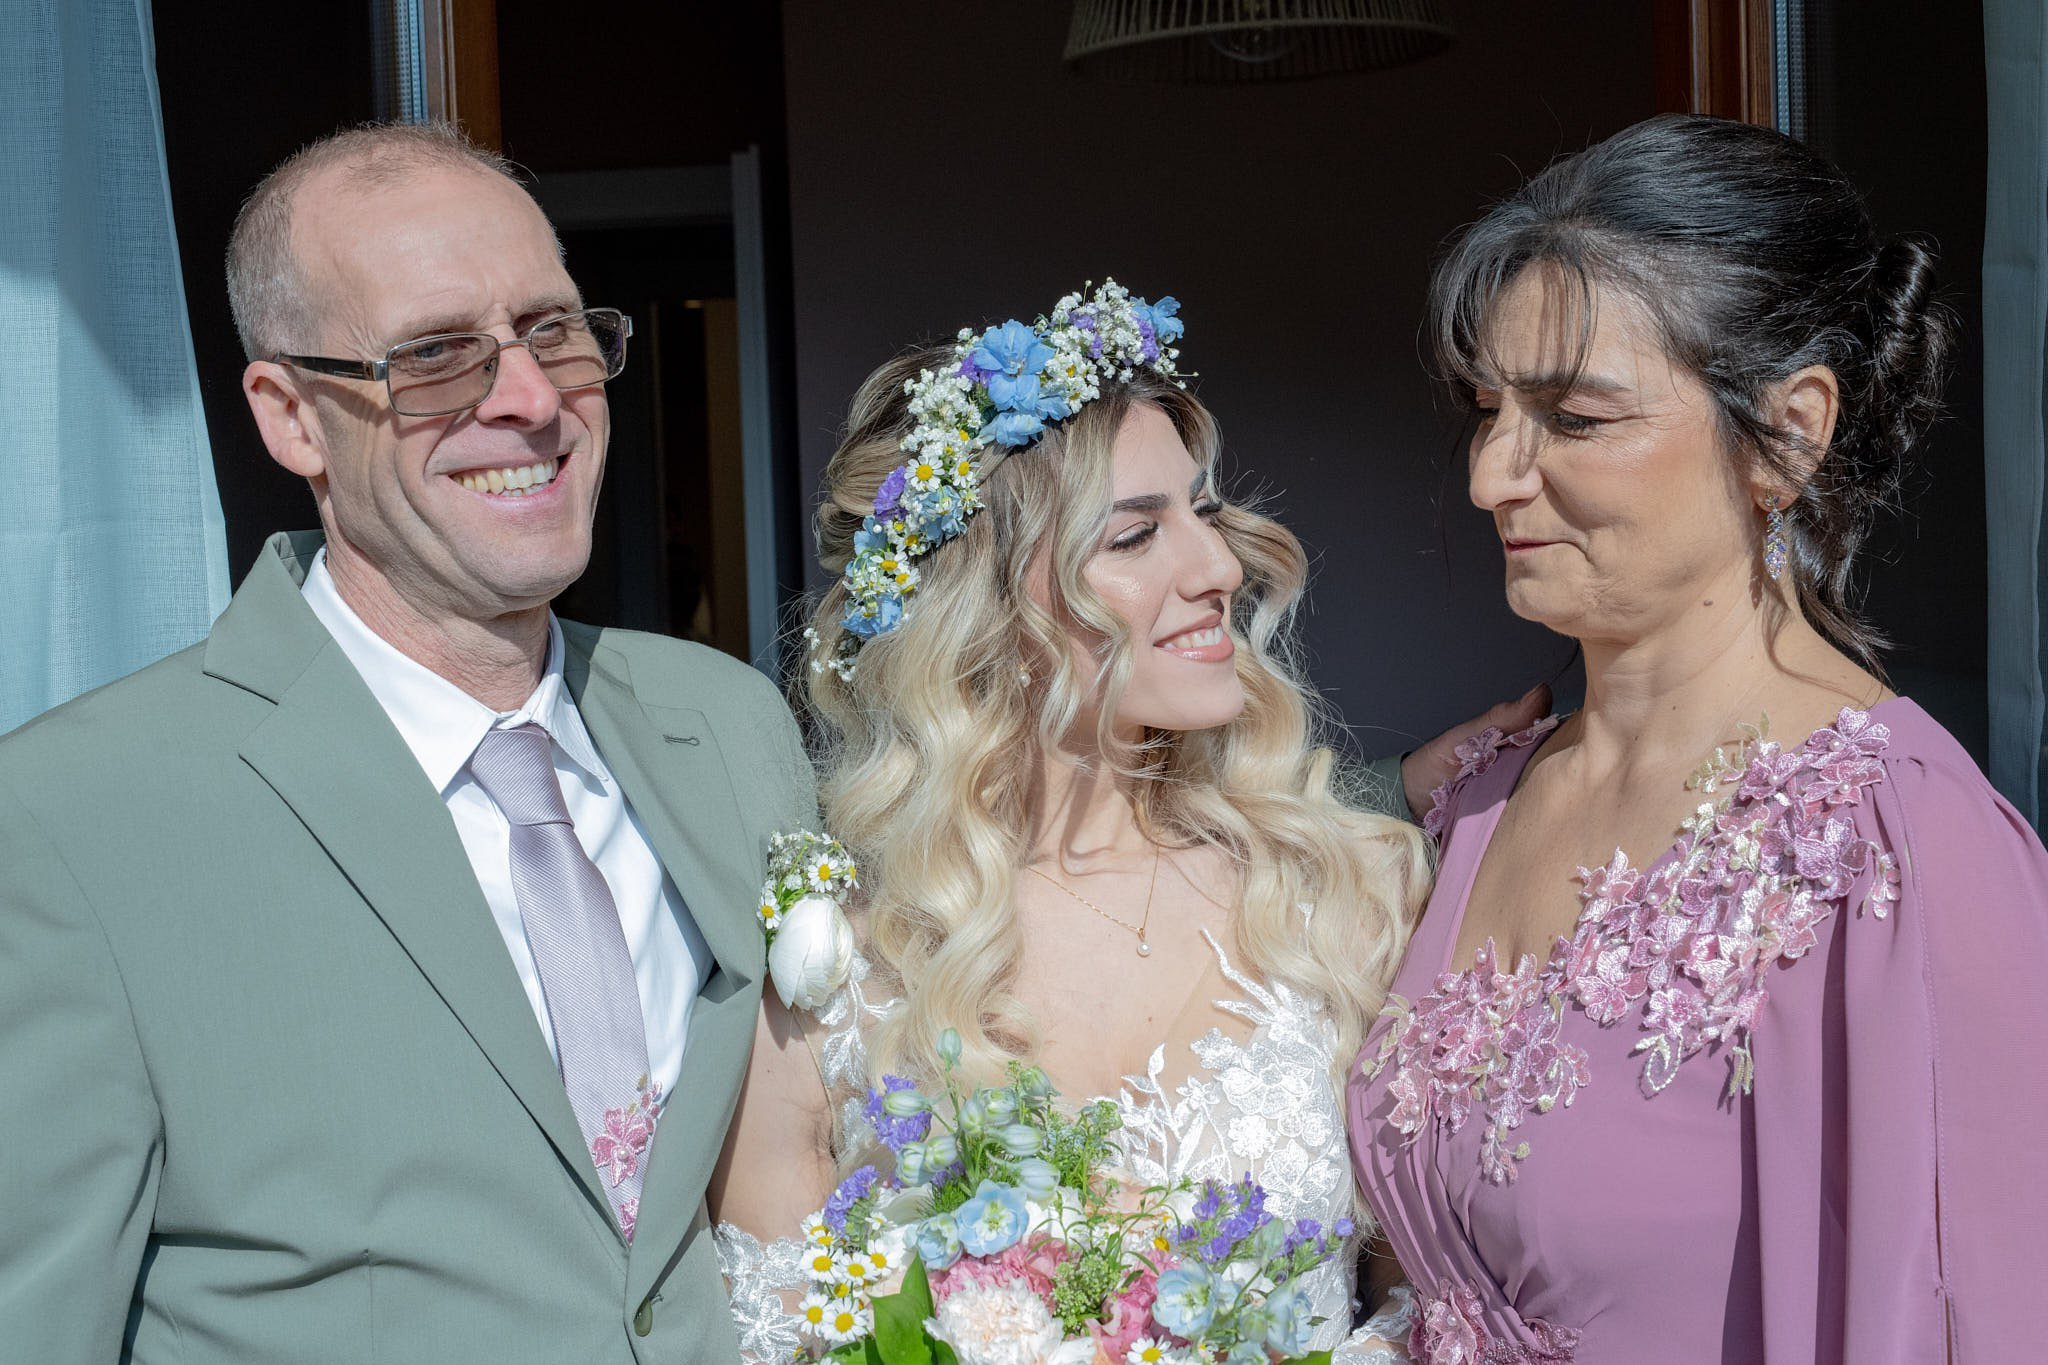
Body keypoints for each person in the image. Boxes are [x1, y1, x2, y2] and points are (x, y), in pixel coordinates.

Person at [0, 123, 813, 1361]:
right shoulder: (72, 818)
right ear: (292, 419)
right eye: (433, 357)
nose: (530, 399)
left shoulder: (724, 722)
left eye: (552, 331)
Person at [1347, 114, 2048, 1364]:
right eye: (1487, 410)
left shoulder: (1895, 850)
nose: (1490, 476)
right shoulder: (1476, 799)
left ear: (1788, 433)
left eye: (1573, 416)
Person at [707, 280, 1488, 1363]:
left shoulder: (1345, 897)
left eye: (1203, 514)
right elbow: (775, 1335)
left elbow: (1438, 1298)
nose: (1220, 568)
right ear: (980, 603)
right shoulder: (834, 970)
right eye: (1135, 536)